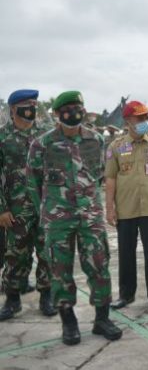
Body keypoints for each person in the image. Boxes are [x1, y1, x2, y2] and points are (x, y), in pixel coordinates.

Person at [26, 91, 122, 345]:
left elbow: (99, 175)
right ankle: (68, 322)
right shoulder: (42, 144)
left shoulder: (96, 140)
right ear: (57, 114)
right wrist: (45, 214)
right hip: (57, 220)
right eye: (67, 109)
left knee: (99, 266)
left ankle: (102, 318)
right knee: (59, 270)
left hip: (90, 217)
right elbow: (32, 182)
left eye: (77, 107)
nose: (73, 112)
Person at [105, 101, 148, 310]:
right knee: (126, 253)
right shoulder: (115, 147)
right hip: (126, 208)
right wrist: (109, 208)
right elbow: (111, 179)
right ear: (128, 121)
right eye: (140, 118)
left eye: (146, 118)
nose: (145, 122)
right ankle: (126, 294)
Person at [0, 89, 56, 320]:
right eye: (27, 104)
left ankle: (46, 297)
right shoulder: (3, 138)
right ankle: (12, 299)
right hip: (15, 209)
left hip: (44, 206)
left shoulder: (46, 135)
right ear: (14, 109)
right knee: (16, 255)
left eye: (34, 104)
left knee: (47, 253)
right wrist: (1, 208)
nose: (32, 108)